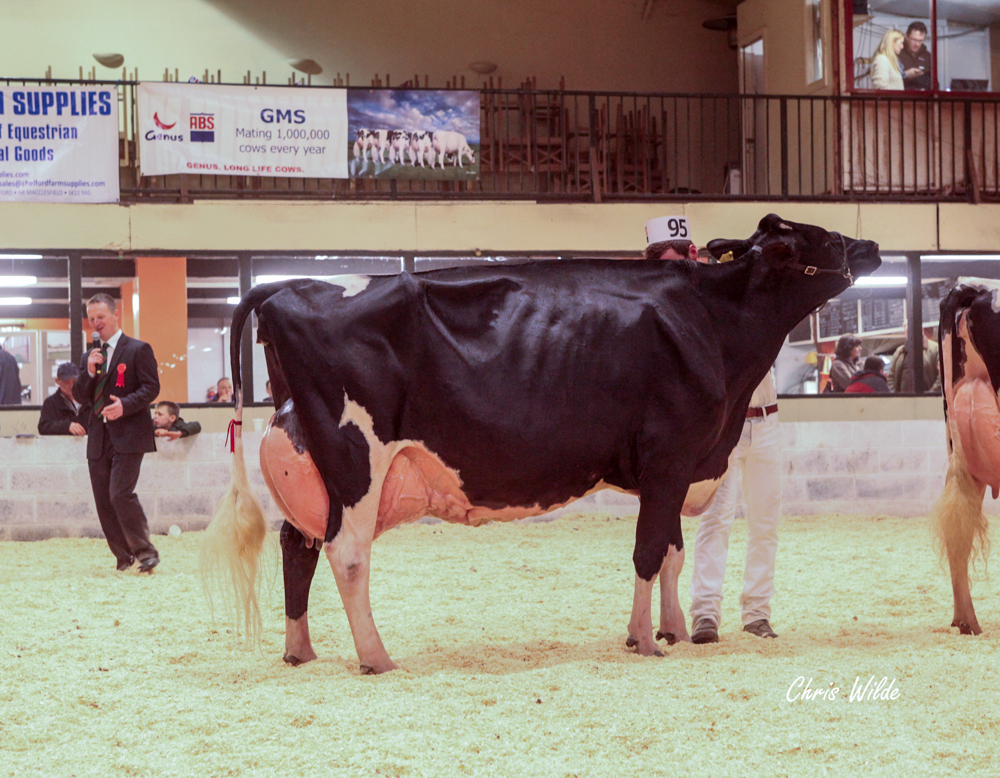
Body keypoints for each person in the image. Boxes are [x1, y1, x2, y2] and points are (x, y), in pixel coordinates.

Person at [643, 216, 783, 644]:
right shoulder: (669, 307)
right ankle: (705, 615)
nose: (680, 269)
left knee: (765, 522)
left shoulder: (726, 290)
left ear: (695, 254)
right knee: (715, 521)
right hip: (722, 426)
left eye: (684, 256)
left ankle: (757, 613)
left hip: (767, 417)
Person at [73, 293, 161, 573]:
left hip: (129, 434)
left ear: (115, 315)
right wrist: (87, 373)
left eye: (101, 317)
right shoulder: (91, 356)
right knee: (103, 500)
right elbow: (79, 394)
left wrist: (125, 405)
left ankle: (146, 553)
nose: (96, 323)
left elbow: (151, 388)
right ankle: (124, 557)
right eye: (92, 319)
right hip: (99, 437)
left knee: (120, 494)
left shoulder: (138, 349)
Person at [38, 362, 88, 436]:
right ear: (57, 381)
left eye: (74, 382)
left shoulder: (87, 400)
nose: (71, 386)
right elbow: (44, 427)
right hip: (62, 446)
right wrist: (66, 426)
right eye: (66, 382)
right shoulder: (51, 403)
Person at [888, 324, 940, 393]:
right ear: (905, 334)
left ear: (922, 331)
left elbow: (942, 376)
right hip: (903, 400)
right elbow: (891, 376)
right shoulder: (899, 351)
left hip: (929, 400)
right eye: (908, 331)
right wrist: (895, 395)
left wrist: (931, 394)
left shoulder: (935, 349)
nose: (911, 333)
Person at [899, 21, 931, 90]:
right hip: (900, 97)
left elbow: (933, 83)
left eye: (920, 41)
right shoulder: (898, 53)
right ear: (906, 36)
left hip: (922, 98)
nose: (917, 44)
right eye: (914, 40)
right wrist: (906, 75)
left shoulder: (927, 56)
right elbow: (889, 80)